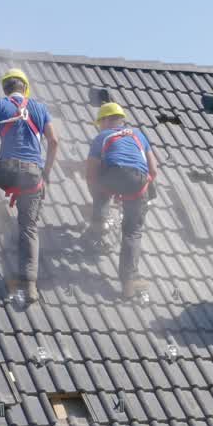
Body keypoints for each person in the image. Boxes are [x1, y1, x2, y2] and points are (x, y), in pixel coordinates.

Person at [0, 68, 60, 304]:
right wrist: (46, 174)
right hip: (32, 176)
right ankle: (29, 284)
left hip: (6, 169)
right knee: (28, 227)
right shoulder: (40, 108)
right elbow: (54, 141)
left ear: (6, 88)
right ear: (25, 87)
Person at [84, 102, 159, 297]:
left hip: (114, 175)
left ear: (107, 120)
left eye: (100, 123)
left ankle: (99, 224)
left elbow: (91, 174)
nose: (100, 127)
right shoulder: (139, 136)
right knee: (133, 232)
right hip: (139, 182)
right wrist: (134, 191)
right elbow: (153, 171)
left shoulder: (102, 137)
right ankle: (129, 282)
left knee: (99, 179)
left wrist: (102, 193)